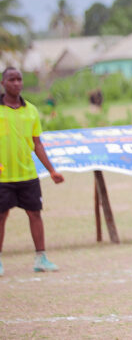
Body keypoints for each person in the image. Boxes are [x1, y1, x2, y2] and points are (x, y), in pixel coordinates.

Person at [0, 67, 65, 276]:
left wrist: (52, 170)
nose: (16, 83)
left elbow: (37, 144)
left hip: (27, 174)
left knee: (35, 214)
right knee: (1, 216)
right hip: (3, 177)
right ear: (3, 83)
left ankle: (41, 258)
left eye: (19, 79)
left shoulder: (32, 111)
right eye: (12, 79)